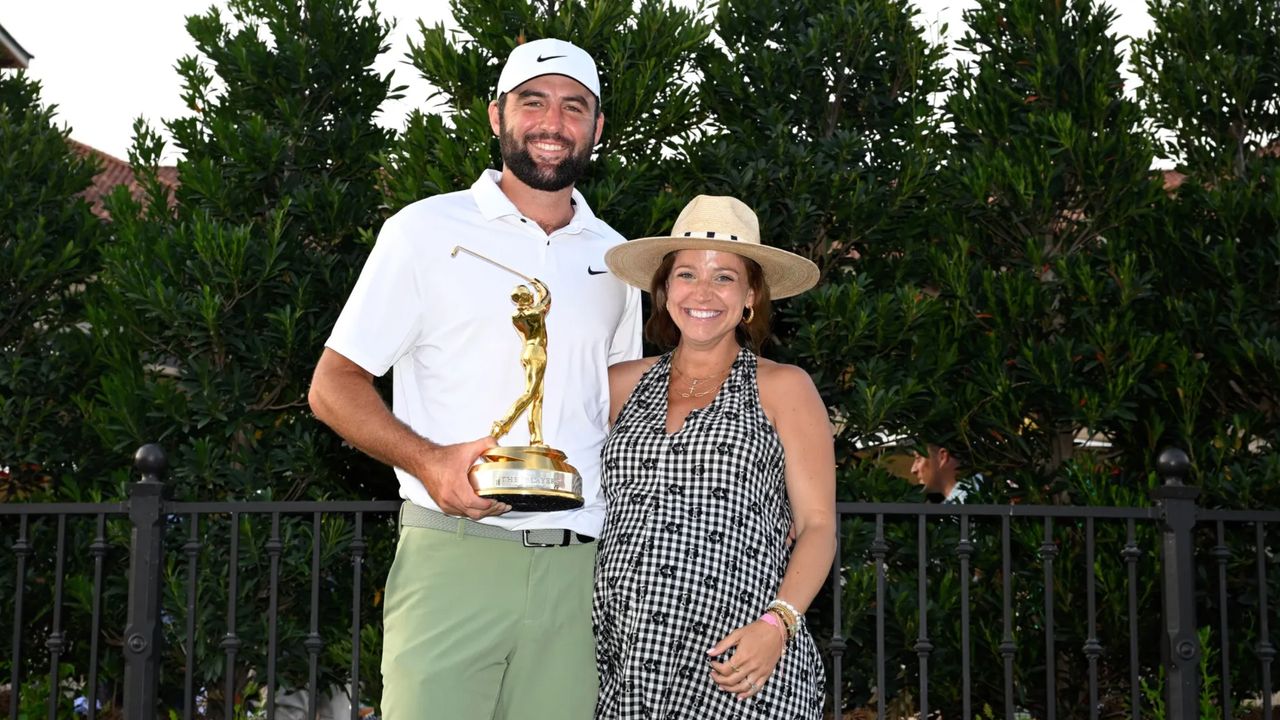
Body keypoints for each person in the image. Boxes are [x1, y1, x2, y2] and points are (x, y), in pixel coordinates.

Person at [307, 38, 642, 720]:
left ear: (597, 128)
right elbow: (332, 384)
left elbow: (616, 405)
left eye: (574, 106)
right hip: (452, 556)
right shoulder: (424, 231)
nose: (553, 122)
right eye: (533, 102)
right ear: (496, 116)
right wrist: (428, 461)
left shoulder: (617, 257)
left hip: (579, 566)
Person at [592, 195, 836, 719]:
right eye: (686, 274)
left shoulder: (785, 388)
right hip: (629, 660)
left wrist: (778, 625)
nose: (703, 292)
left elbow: (818, 526)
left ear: (750, 296)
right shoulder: (618, 386)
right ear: (664, 290)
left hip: (741, 661)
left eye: (724, 277)